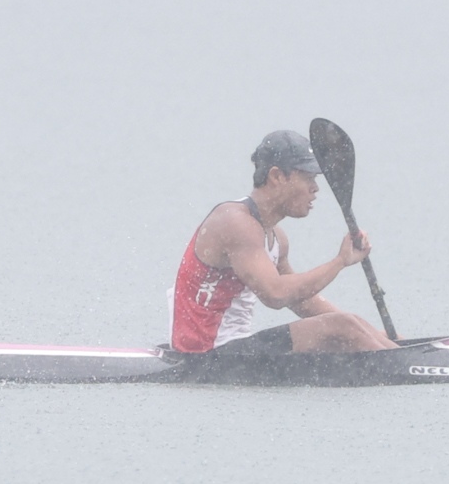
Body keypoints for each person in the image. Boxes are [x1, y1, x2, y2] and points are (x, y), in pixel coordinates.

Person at [169, 129, 394, 356]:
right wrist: (340, 262)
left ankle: (396, 352)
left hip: (236, 352)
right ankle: (402, 363)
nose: (315, 188)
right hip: (204, 356)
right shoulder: (236, 223)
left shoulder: (277, 237)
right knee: (343, 326)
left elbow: (301, 301)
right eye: (308, 177)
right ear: (277, 176)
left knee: (350, 324)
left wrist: (369, 332)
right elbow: (275, 294)